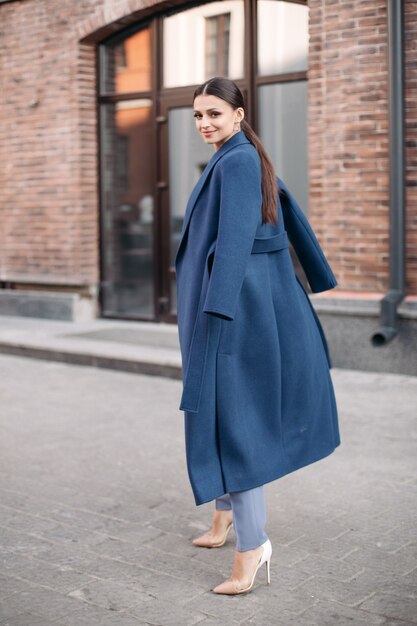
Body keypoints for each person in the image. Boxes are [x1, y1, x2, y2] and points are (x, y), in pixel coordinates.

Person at [174, 76, 341, 595]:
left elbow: (237, 243)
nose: (205, 123)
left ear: (239, 115)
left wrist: (214, 315)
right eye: (198, 115)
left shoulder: (240, 160)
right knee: (224, 416)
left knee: (236, 424)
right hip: (234, 309)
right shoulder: (236, 155)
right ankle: (224, 521)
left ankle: (253, 547)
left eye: (215, 115)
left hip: (232, 315)